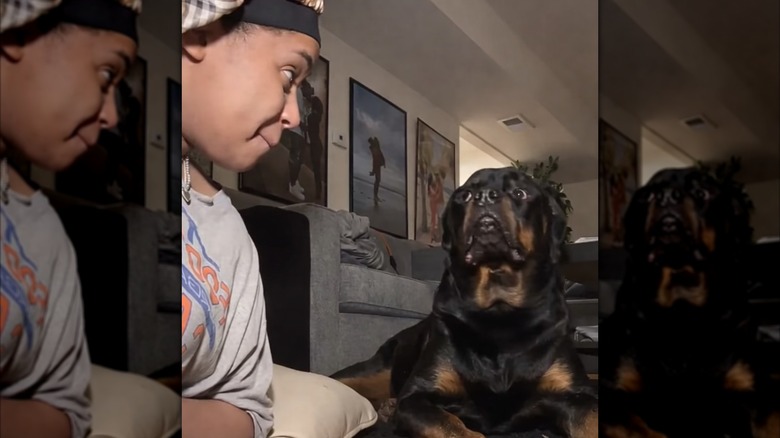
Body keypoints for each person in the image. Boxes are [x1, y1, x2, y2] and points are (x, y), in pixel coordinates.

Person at [180, 1, 322, 437]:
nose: (295, 115)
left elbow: (248, 407)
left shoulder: (230, 237)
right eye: (287, 76)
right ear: (200, 33)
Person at [0, 1, 141, 437]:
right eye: (106, 75)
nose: (111, 115)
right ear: (21, 33)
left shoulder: (44, 236)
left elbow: (66, 410)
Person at [301, 79, 324, 201]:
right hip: (312, 143)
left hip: (315, 144)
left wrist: (302, 124)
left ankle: (318, 193)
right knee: (313, 167)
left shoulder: (315, 108)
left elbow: (311, 124)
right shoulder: (307, 107)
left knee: (316, 170)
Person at [368, 136, 385, 206]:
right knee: (378, 180)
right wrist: (373, 171)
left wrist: (383, 162)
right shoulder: (374, 148)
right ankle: (375, 196)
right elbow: (375, 159)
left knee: (377, 180)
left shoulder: (375, 147)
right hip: (377, 164)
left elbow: (378, 156)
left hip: (377, 164)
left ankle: (375, 196)